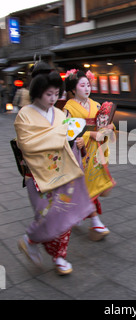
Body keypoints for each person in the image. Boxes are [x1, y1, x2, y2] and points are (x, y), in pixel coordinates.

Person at [14, 63, 96, 275]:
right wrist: (62, 135)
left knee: (64, 213)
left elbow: (69, 139)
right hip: (38, 176)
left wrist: (76, 142)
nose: (52, 99)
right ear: (38, 92)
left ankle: (59, 257)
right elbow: (27, 144)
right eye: (48, 94)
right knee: (47, 215)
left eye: (55, 94)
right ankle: (31, 239)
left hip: (63, 172)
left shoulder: (59, 115)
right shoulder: (24, 114)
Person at [63, 69, 116, 241]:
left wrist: (110, 127)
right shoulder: (68, 108)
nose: (87, 88)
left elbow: (108, 123)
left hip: (95, 151)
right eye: (82, 85)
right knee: (86, 186)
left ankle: (78, 214)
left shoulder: (95, 105)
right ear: (73, 89)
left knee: (89, 185)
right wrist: (90, 134)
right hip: (79, 151)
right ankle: (95, 222)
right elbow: (66, 133)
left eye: (88, 85)